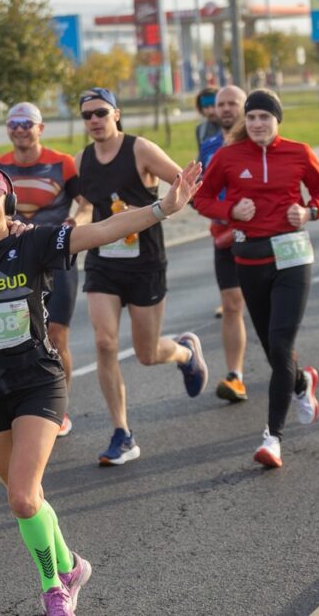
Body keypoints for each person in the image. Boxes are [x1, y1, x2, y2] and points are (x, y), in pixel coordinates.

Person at [0, 161, 201, 613]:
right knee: (28, 497)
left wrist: (161, 209)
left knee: (21, 497)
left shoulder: (32, 241)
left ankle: (54, 587)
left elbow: (102, 230)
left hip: (38, 381)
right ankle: (70, 564)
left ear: (7, 201)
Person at [193, 90, 319, 468]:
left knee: (281, 343)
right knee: (272, 348)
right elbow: (201, 198)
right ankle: (301, 382)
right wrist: (230, 210)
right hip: (250, 258)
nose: (257, 124)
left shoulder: (299, 152)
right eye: (252, 117)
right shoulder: (228, 156)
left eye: (265, 117)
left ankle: (273, 439)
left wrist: (309, 212)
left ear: (277, 120)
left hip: (292, 256)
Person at [76, 87, 208, 466]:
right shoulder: (83, 159)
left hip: (145, 261)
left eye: (101, 112)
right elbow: (85, 206)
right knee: (104, 343)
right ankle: (122, 433)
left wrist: (154, 207)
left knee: (147, 354)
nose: (94, 120)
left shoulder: (140, 149)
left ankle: (185, 352)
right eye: (87, 115)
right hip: (103, 261)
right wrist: (75, 224)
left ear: (116, 114)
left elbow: (182, 190)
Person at [0, 101, 90, 437]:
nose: (20, 130)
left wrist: (77, 222)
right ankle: (22, 403)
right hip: (15, 262)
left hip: (56, 258)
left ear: (40, 128)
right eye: (14, 124)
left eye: (27, 124)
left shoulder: (62, 163)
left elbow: (87, 203)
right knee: (19, 336)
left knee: (57, 335)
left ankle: (59, 410)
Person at [196, 85, 250, 402]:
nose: (227, 109)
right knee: (231, 305)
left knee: (267, 309)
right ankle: (235, 376)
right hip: (224, 236)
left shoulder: (257, 141)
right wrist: (220, 215)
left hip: (259, 234)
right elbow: (201, 193)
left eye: (233, 103)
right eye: (222, 104)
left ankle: (290, 370)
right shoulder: (209, 146)